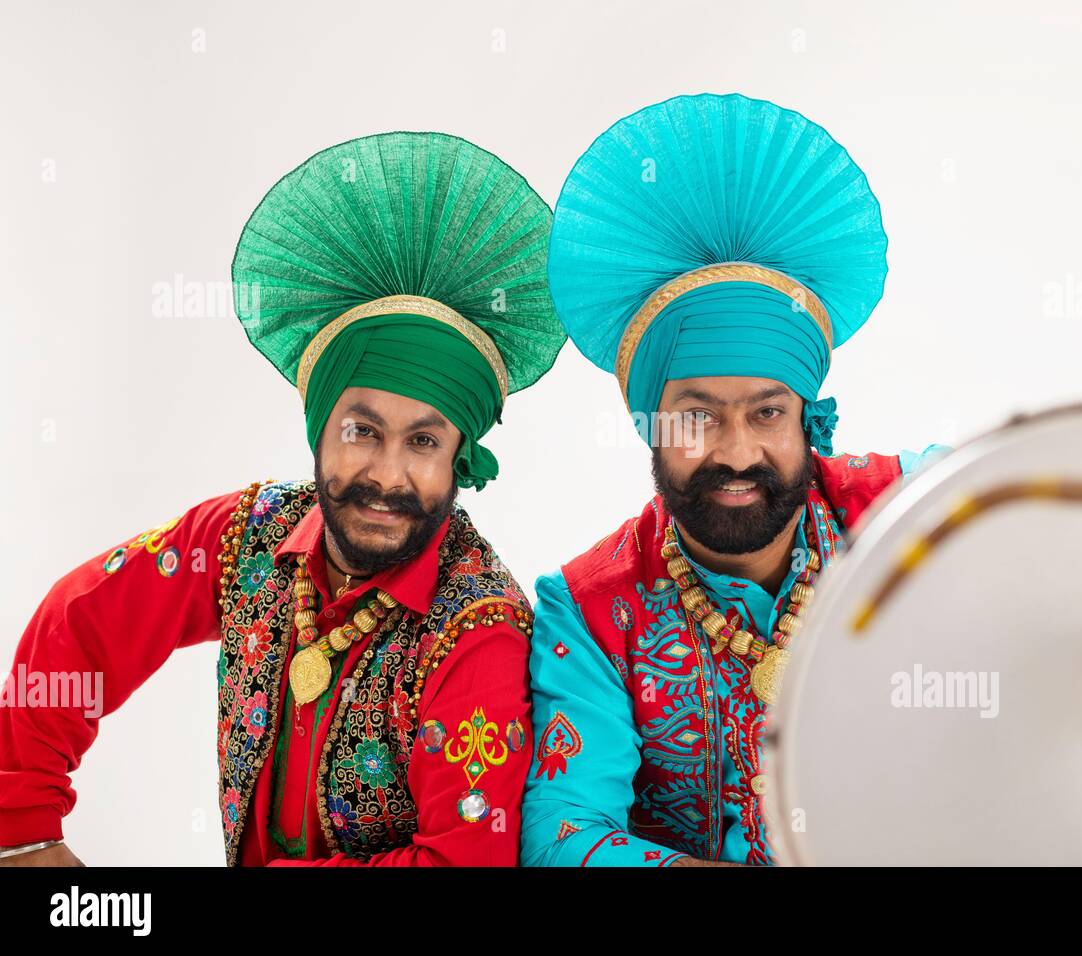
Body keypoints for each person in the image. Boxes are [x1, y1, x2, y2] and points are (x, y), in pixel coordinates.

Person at [0, 131, 565, 866]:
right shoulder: (247, 536)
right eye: (362, 430)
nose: (387, 475)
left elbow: (462, 862)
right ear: (318, 428)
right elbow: (81, 624)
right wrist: (22, 828)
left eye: (424, 441)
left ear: (461, 455)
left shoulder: (479, 632)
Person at [521, 93, 949, 866]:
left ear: (809, 419)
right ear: (651, 424)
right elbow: (562, 834)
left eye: (767, 412)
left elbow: (1036, 519)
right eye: (697, 416)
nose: (738, 452)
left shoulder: (904, 508)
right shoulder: (587, 611)